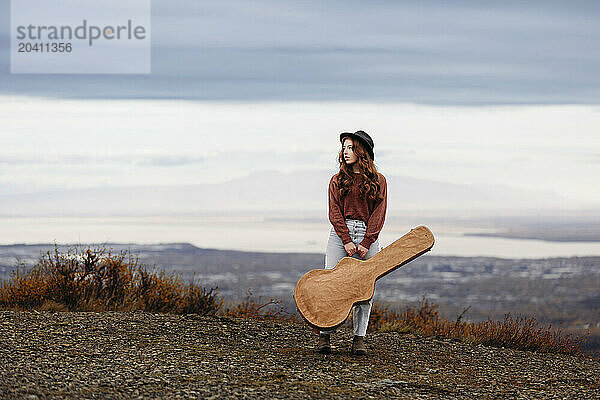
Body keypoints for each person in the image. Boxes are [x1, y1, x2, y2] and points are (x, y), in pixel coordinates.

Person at [317, 130, 387, 356]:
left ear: (362, 151)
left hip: (368, 234)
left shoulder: (379, 181)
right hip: (340, 234)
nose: (345, 152)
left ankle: (359, 339)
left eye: (350, 148)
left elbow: (379, 213)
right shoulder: (337, 180)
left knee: (365, 290)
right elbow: (334, 212)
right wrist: (346, 239)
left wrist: (367, 241)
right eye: (344, 148)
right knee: (330, 283)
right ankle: (324, 337)